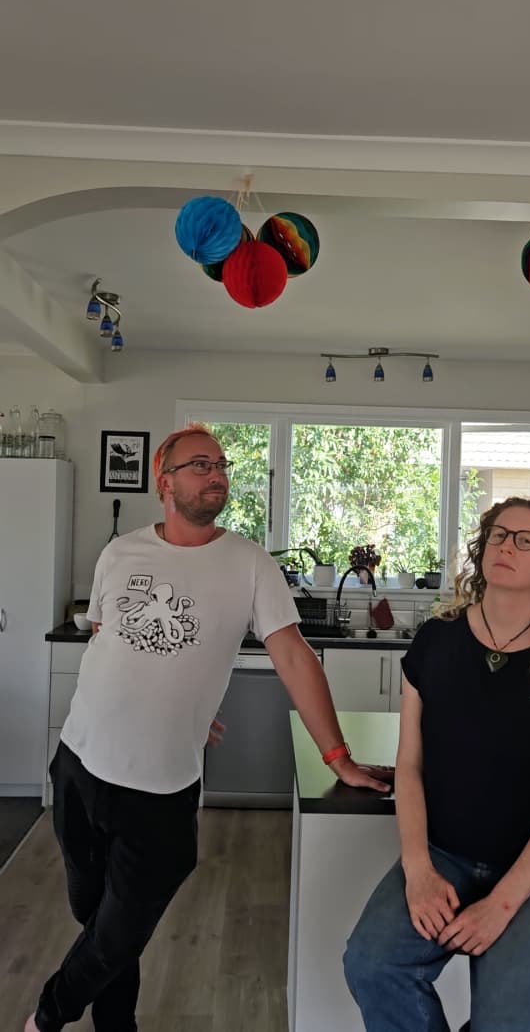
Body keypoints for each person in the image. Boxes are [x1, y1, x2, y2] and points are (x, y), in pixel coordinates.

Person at [26, 424, 388, 1032]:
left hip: (161, 789)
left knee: (117, 930)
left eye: (221, 464)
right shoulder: (120, 553)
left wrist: (338, 756)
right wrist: (176, 698)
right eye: (201, 465)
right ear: (164, 482)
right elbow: (108, 641)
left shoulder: (248, 562)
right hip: (79, 765)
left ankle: (45, 1018)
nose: (217, 474)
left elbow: (294, 655)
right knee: (97, 920)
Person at [344, 497, 530, 1032]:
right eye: (498, 535)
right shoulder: (437, 641)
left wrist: (501, 905)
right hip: (443, 856)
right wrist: (418, 870)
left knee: (505, 1021)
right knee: (372, 965)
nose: (506, 545)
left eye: (525, 539)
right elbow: (409, 767)